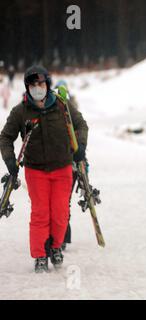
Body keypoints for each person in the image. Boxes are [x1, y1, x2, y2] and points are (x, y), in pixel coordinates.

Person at [0, 66, 88, 273]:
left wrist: (80, 146)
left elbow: (81, 125)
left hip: (62, 168)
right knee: (40, 213)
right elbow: (5, 137)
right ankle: (40, 254)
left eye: (41, 84)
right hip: (36, 170)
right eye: (33, 85)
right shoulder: (21, 111)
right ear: (27, 88)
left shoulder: (62, 106)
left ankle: (56, 246)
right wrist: (10, 160)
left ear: (47, 85)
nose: (37, 88)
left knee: (60, 213)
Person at [54, 80, 79, 251]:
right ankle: (57, 237)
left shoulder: (74, 121)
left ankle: (62, 237)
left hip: (71, 167)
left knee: (63, 203)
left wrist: (82, 163)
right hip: (56, 167)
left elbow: (80, 148)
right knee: (59, 203)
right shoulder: (51, 120)